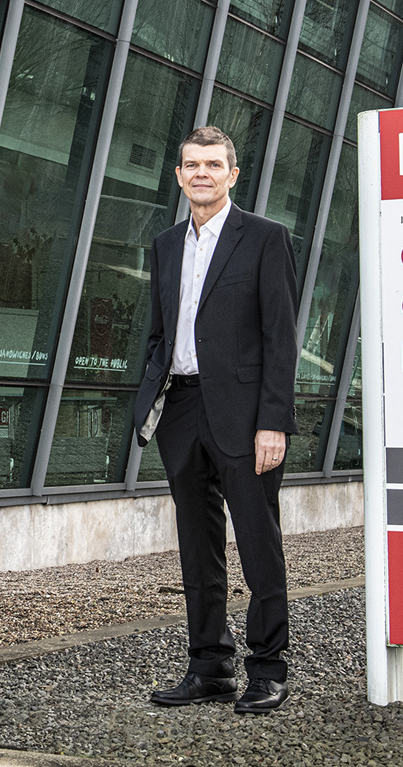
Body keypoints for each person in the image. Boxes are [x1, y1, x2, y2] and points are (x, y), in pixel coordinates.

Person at [132, 126, 299, 715]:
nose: (201, 173)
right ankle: (209, 667)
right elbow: (160, 329)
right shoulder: (165, 243)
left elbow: (282, 338)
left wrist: (273, 421)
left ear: (233, 174)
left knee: (258, 543)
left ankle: (268, 668)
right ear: (179, 176)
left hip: (246, 416)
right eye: (191, 165)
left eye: (213, 164)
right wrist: (150, 396)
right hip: (181, 409)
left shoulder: (265, 238)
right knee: (197, 549)